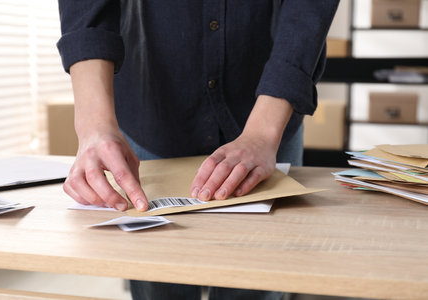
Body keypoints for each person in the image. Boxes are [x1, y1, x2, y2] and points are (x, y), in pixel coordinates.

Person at [57, 1, 339, 299]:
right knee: (160, 287)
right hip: (151, 105)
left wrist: (263, 130)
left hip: (268, 113)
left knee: (257, 282)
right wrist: (93, 125)